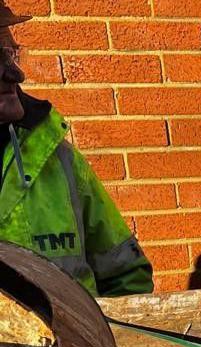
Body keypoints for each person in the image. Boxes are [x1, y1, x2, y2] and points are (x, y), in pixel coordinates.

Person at [0, 6, 151, 296]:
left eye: (11, 54)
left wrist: (103, 338)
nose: (15, 74)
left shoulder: (58, 158)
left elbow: (128, 276)